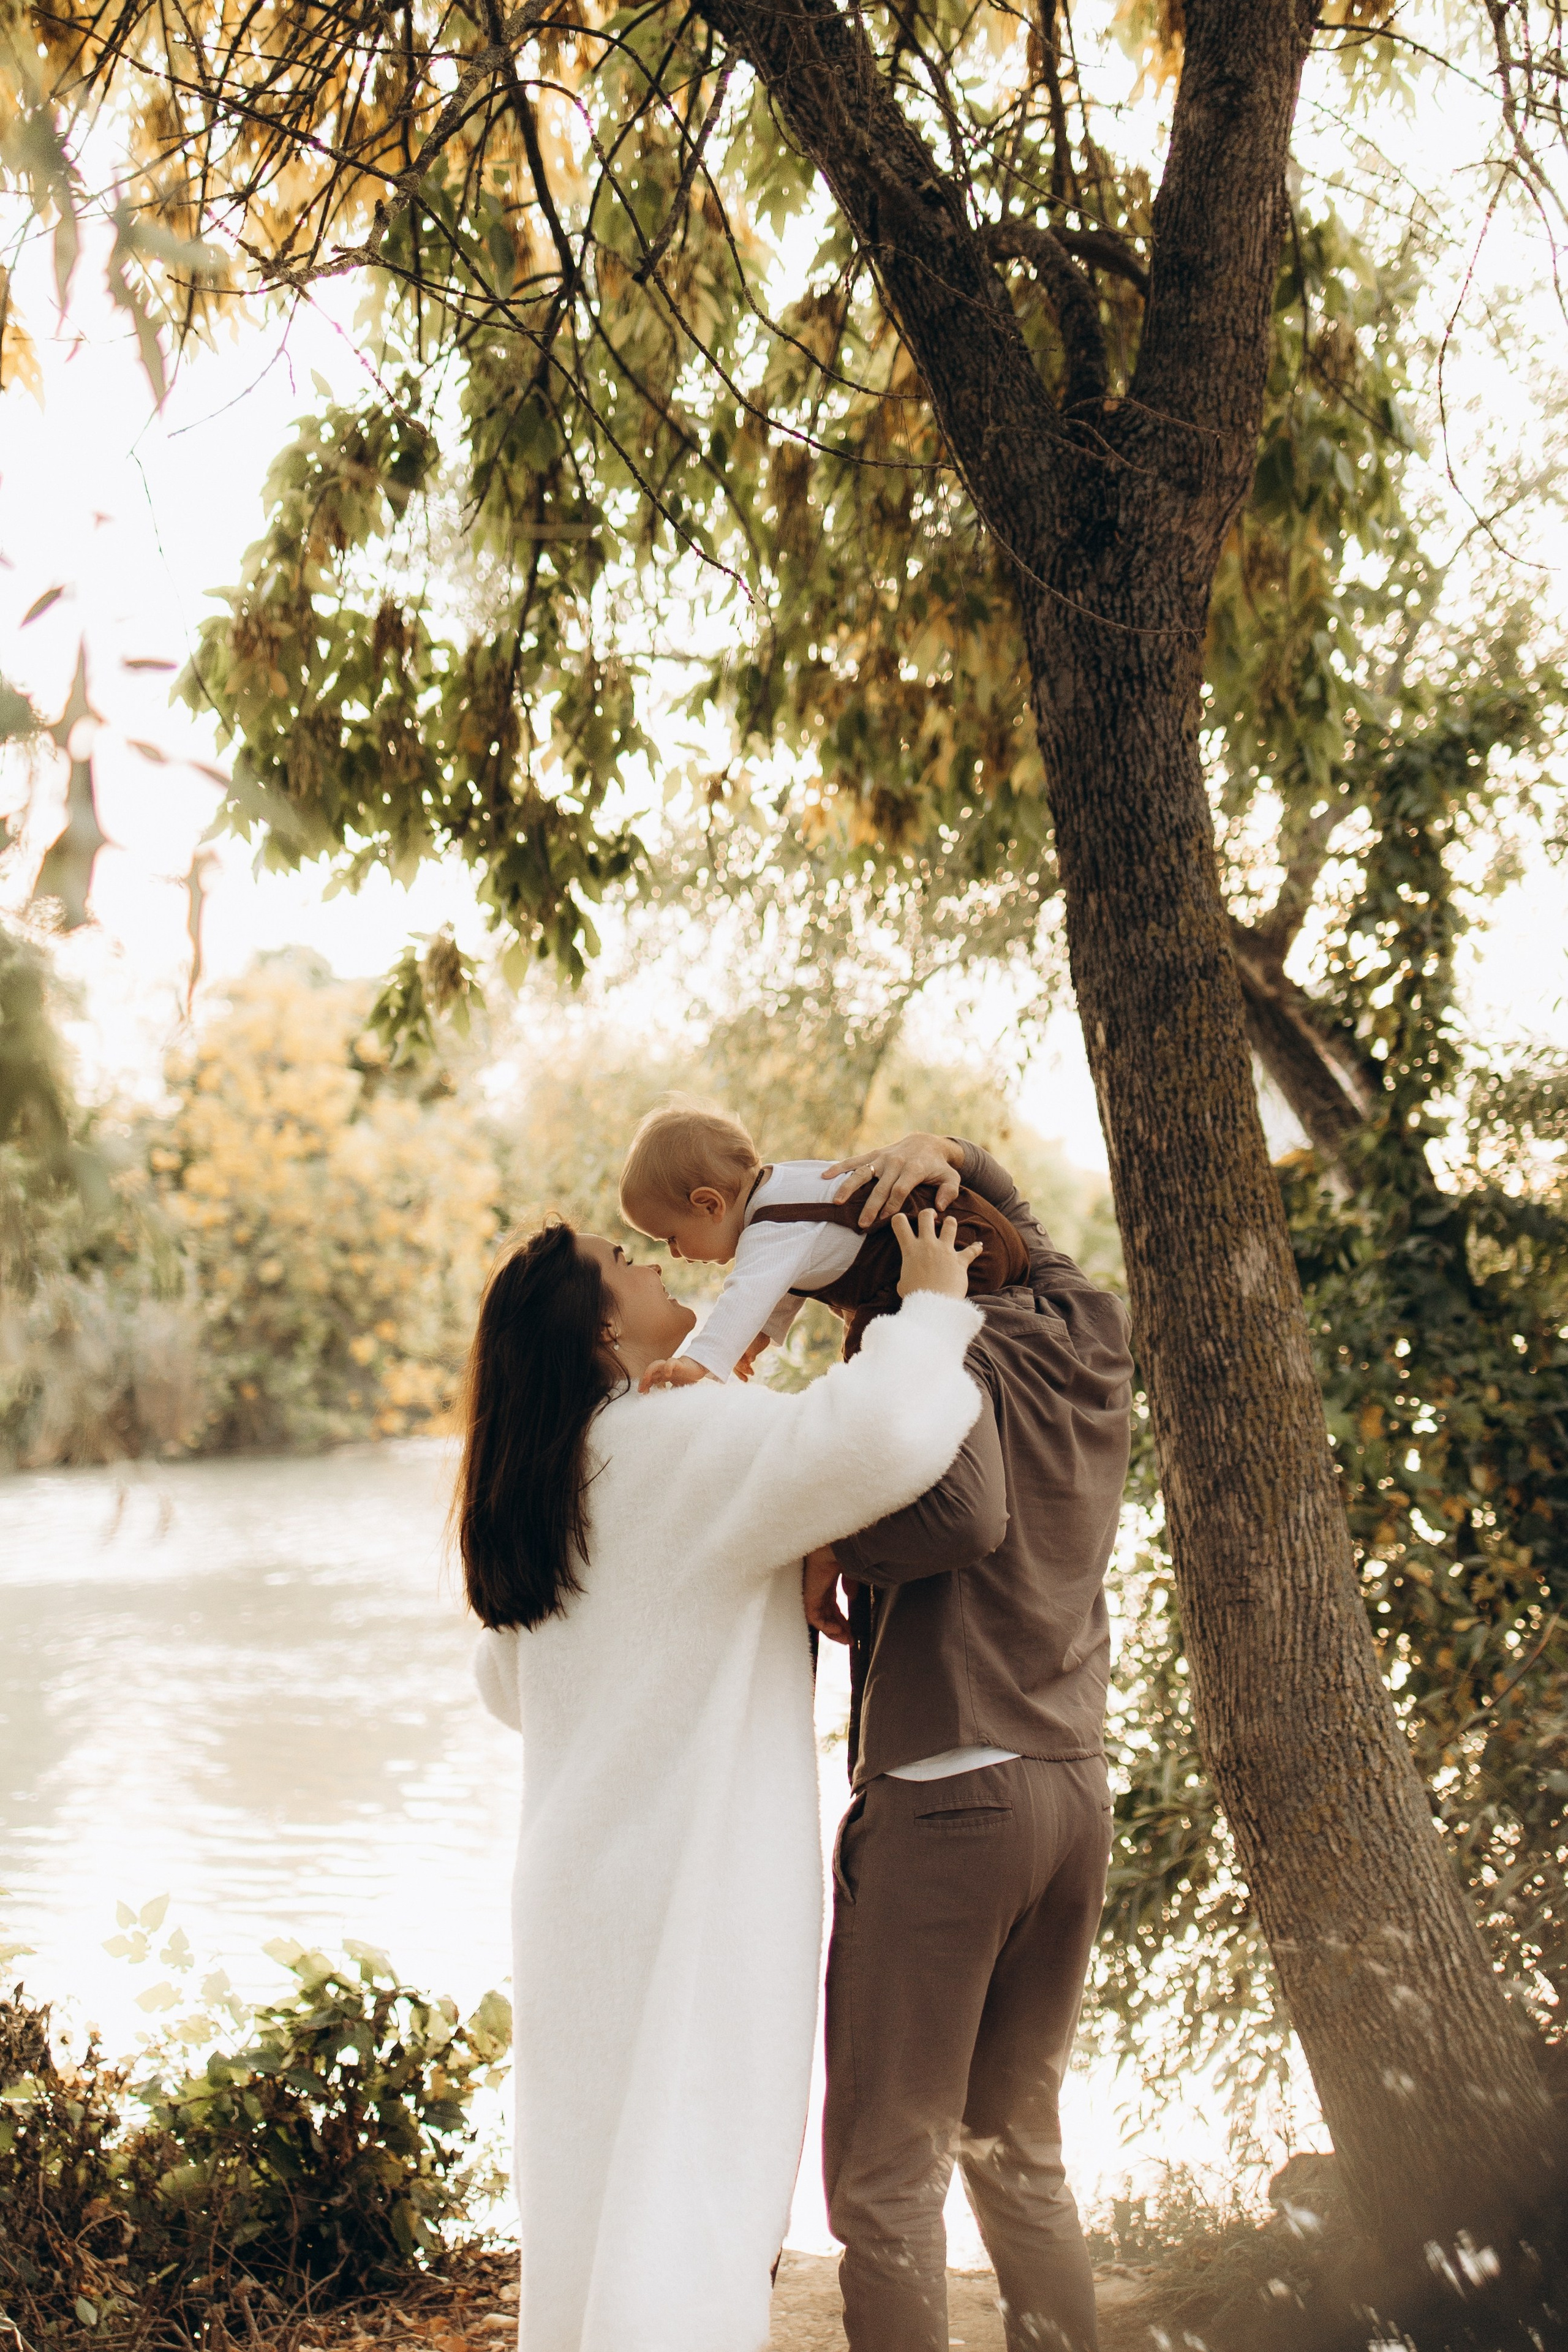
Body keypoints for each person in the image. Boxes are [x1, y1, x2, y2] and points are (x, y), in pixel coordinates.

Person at [462, 1205, 989, 2352]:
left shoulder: (551, 1483)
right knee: (697, 2178)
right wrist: (935, 1302)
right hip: (697, 1883)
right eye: (622, 1263)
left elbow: (506, 1687)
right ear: (601, 1327)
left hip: (573, 1890)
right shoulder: (682, 1436)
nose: (648, 1265)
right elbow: (883, 1434)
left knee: (590, 2202)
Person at [803, 1130, 1134, 2352]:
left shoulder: (939, 1358)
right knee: (1014, 2149)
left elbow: (963, 1516)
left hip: (949, 1792)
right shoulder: (1081, 1321)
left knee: (885, 2182)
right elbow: (1023, 1229)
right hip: (1068, 1785)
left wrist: (826, 1547)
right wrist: (950, 1156)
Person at [617, 1098, 1030, 1388]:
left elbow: (747, 1292)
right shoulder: (780, 1190)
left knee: (868, 1355)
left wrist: (700, 1362)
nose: (675, 1254)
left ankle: (883, 1440)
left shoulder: (768, 1228)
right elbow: (789, 1272)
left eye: (671, 1238)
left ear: (709, 1204)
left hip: (962, 1253)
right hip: (976, 1235)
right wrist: (762, 1332)